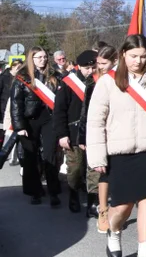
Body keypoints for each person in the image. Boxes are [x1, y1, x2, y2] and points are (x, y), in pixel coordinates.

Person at [87, 34, 146, 257]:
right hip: (119, 153)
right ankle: (114, 230)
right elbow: (95, 121)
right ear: (123, 54)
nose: (139, 61)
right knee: (122, 208)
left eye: (143, 57)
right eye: (133, 56)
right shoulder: (108, 82)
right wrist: (98, 156)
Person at [10, 47, 63, 205]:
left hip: (49, 119)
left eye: (45, 57)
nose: (43, 60)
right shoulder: (23, 77)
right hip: (29, 120)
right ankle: (35, 191)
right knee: (31, 156)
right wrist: (19, 127)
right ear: (31, 59)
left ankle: (54, 191)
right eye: (39, 57)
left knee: (50, 154)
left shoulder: (54, 76)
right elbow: (15, 104)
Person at [52, 50, 97, 213]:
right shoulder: (68, 83)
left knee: (94, 167)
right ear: (79, 67)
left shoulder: (99, 81)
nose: (90, 71)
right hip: (73, 132)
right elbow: (59, 111)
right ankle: (73, 194)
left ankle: (93, 201)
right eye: (87, 68)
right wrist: (62, 134)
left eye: (93, 68)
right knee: (75, 168)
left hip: (93, 131)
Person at [80, 46, 117, 228]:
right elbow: (86, 115)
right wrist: (82, 139)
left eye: (104, 63)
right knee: (101, 174)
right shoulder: (92, 83)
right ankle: (101, 208)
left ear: (115, 61)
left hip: (119, 134)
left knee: (116, 175)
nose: (100, 67)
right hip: (100, 134)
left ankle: (115, 209)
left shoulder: (123, 81)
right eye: (98, 64)